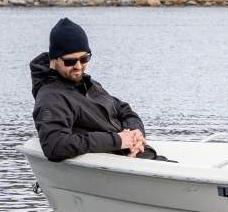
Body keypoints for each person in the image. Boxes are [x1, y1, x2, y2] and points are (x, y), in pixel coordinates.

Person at [30, 17, 166, 162]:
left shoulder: (90, 84)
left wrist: (135, 133)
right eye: (70, 61)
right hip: (120, 165)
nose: (78, 66)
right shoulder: (51, 98)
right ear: (54, 59)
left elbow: (124, 109)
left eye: (84, 59)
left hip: (140, 157)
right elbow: (55, 146)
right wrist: (118, 140)